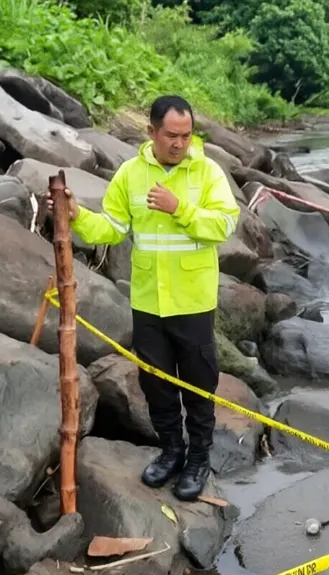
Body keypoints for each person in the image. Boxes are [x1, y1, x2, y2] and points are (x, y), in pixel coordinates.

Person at [45, 95, 240, 502]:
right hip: (149, 302)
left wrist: (179, 208)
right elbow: (112, 228)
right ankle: (172, 450)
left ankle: (199, 458)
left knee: (199, 385)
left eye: (186, 136)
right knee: (155, 385)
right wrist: (78, 215)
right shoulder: (131, 175)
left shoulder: (207, 173)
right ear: (151, 132)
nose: (180, 144)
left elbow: (223, 225)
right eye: (171, 135)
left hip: (193, 302)